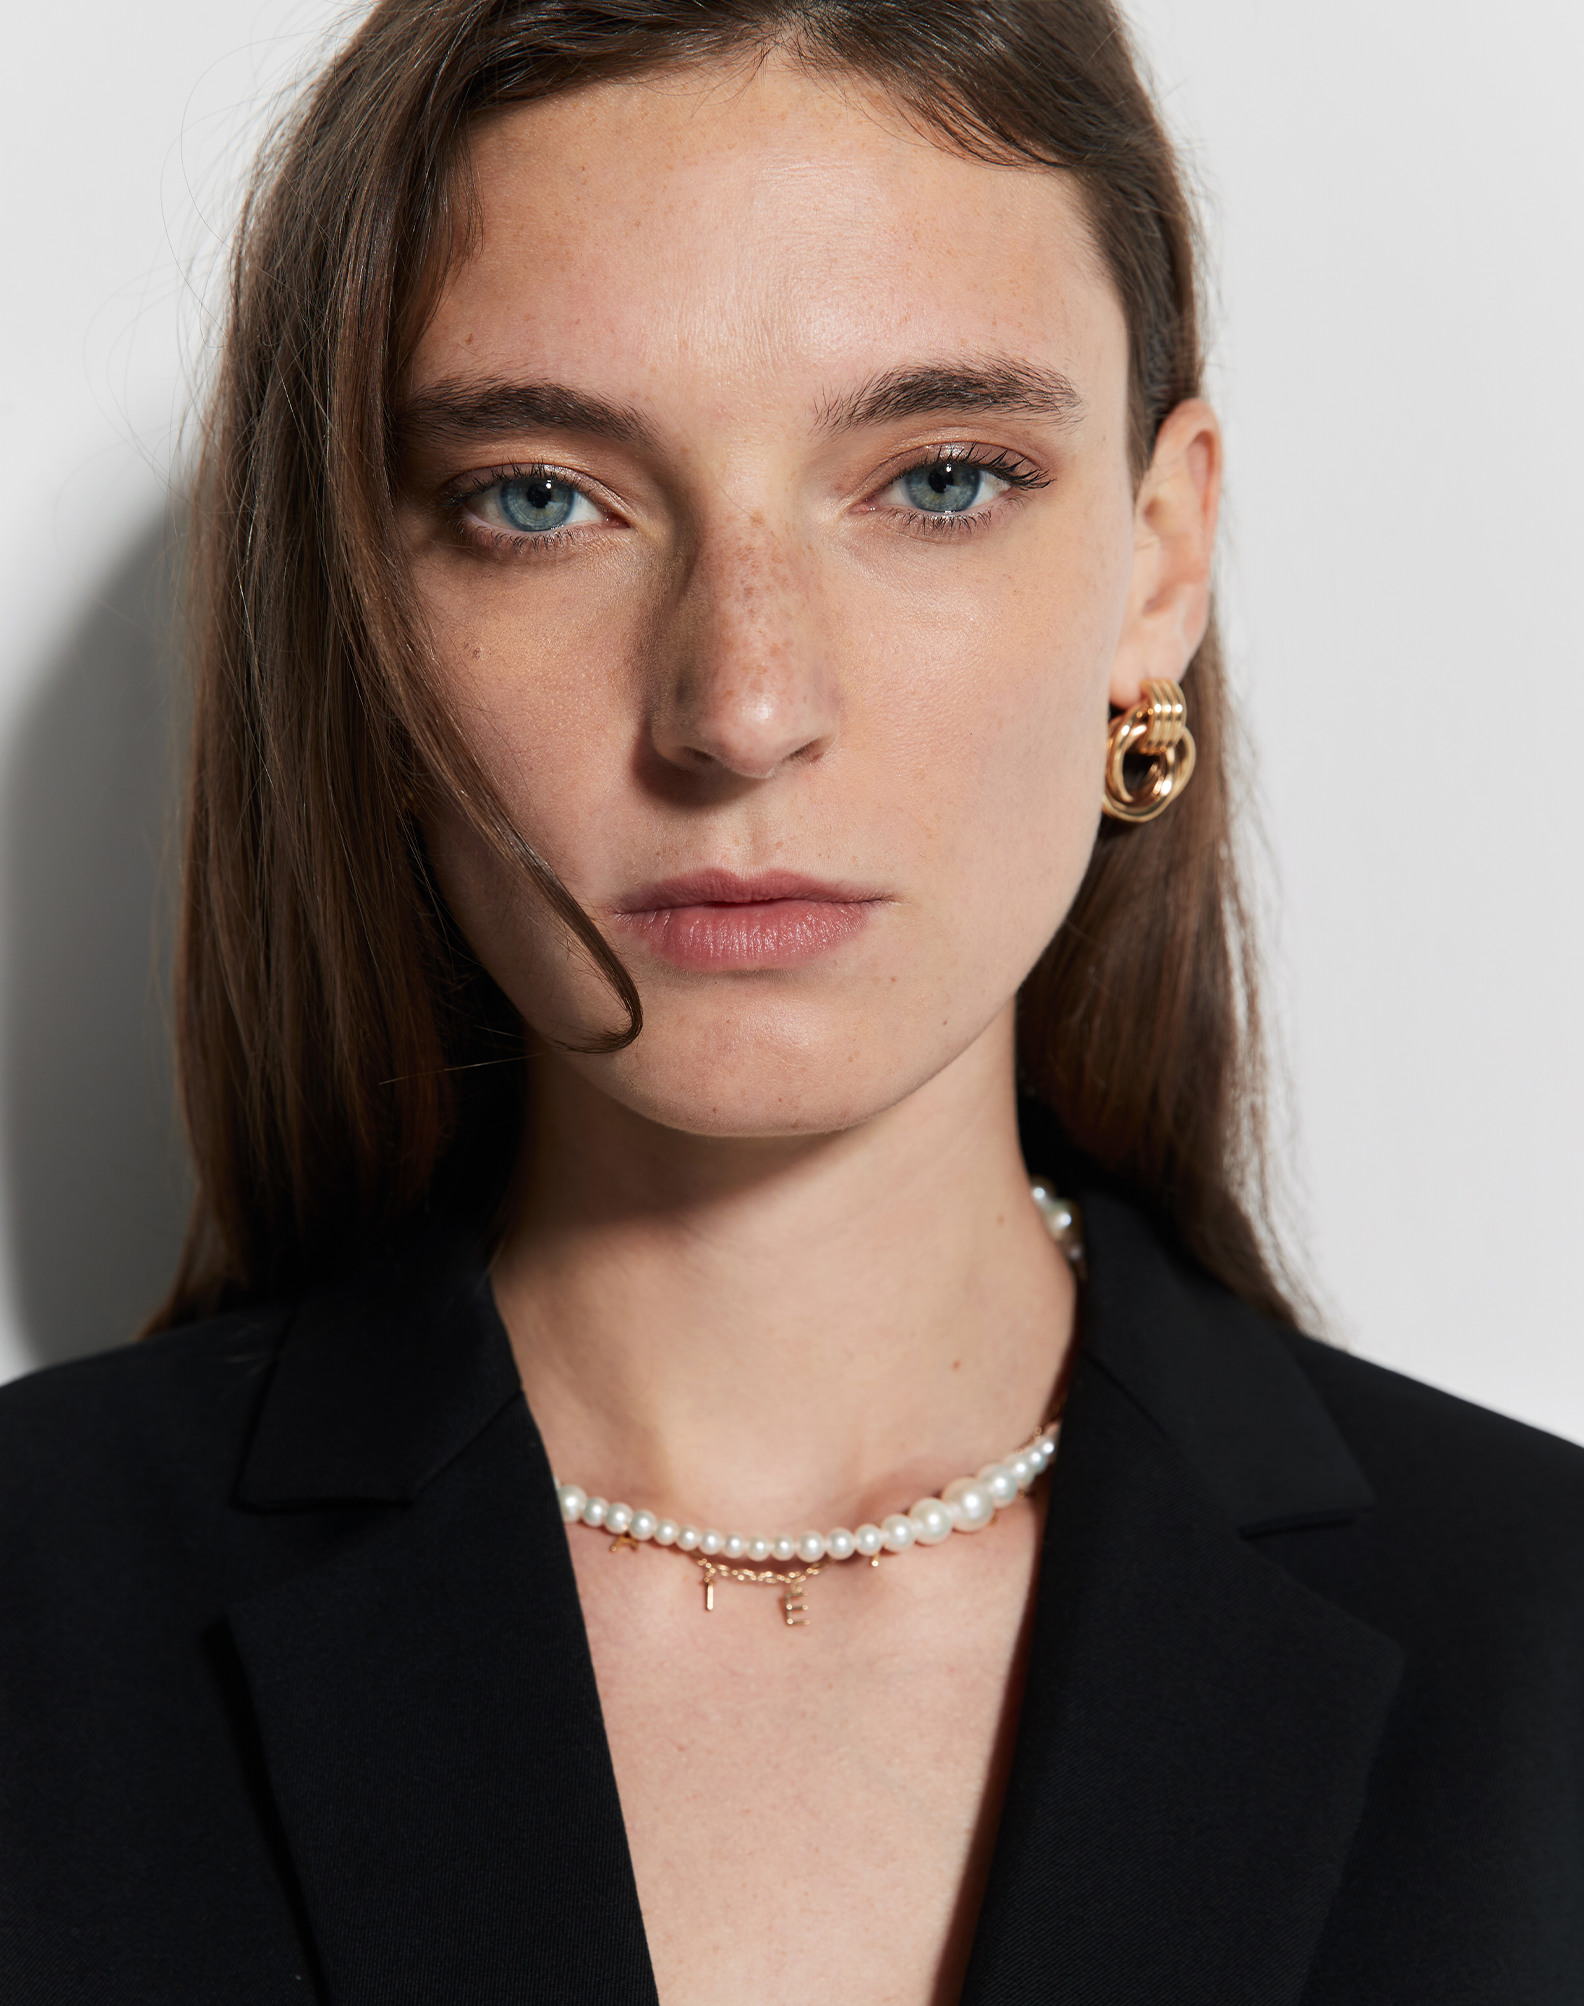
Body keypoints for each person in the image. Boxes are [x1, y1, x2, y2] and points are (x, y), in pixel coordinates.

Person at [2, 1, 1581, 1999]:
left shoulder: (1543, 1641)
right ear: (366, 615)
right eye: (540, 497)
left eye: (941, 479)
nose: (743, 706)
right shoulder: (36, 1611)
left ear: (1159, 565)